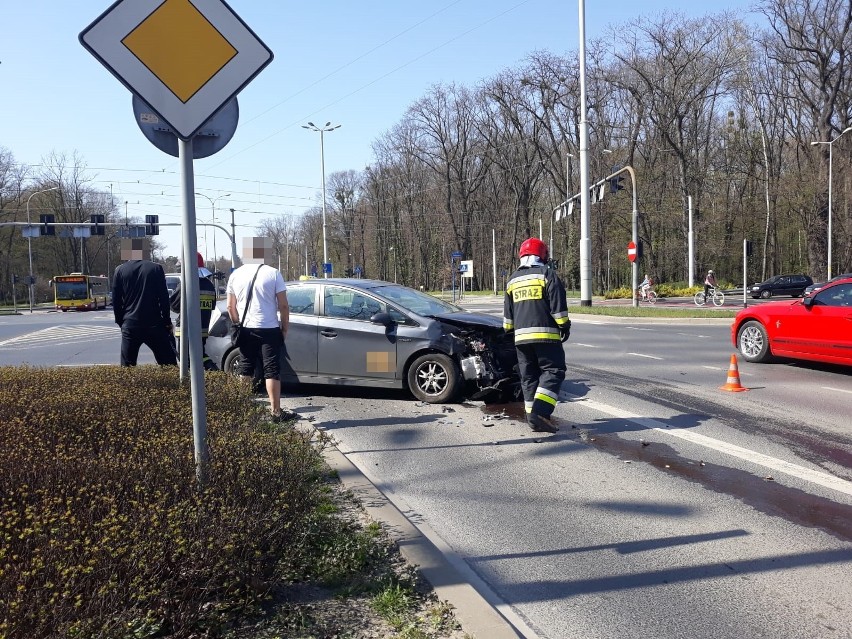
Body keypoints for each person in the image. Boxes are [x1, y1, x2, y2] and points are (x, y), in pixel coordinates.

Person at [503, 238, 570, 434]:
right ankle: (540, 413)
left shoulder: (512, 280)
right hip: (546, 336)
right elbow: (558, 309)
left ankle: (533, 420)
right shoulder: (547, 275)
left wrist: (510, 333)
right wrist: (564, 325)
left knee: (529, 377)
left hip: (521, 339)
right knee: (554, 371)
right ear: (543, 256)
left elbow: (508, 319)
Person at [226, 237, 295, 422]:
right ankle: (275, 412)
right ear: (263, 252)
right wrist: (284, 329)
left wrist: (237, 323)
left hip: (246, 328)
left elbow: (230, 307)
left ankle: (242, 408)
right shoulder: (273, 274)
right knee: (271, 369)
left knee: (245, 366)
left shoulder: (235, 274)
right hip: (269, 328)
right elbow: (284, 306)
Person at [112, 238, 178, 367]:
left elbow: (116, 300)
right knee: (168, 364)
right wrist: (167, 322)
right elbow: (164, 298)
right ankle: (170, 387)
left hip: (130, 323)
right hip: (154, 324)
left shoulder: (119, 270)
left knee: (127, 367)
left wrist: (121, 321)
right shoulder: (156, 268)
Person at [169, 252, 218, 371]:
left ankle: (191, 384)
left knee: (186, 359)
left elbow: (174, 305)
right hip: (203, 329)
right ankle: (211, 370)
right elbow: (212, 305)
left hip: (186, 330)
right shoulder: (209, 285)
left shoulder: (186, 284)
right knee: (200, 354)